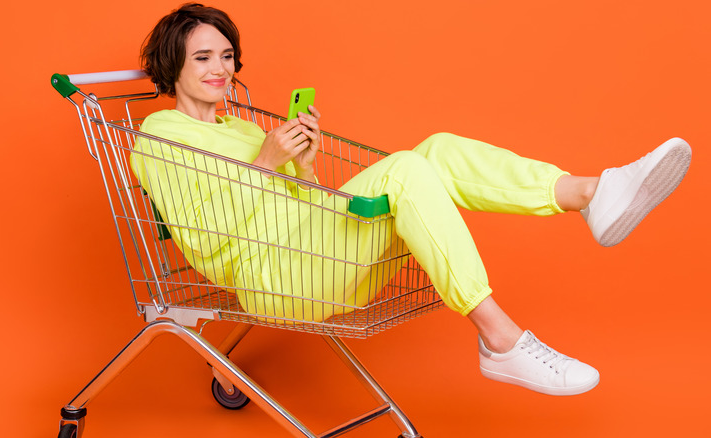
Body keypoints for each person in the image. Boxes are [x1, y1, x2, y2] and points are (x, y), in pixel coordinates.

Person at [131, 3, 692, 397]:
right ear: (172, 63)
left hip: (316, 259)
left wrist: (300, 164)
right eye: (203, 57)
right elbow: (206, 234)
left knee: (437, 151)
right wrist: (265, 162)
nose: (221, 69)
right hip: (274, 278)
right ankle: (502, 340)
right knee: (404, 169)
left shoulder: (241, 126)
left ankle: (591, 193)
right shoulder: (160, 136)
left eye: (227, 56)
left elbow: (289, 205)